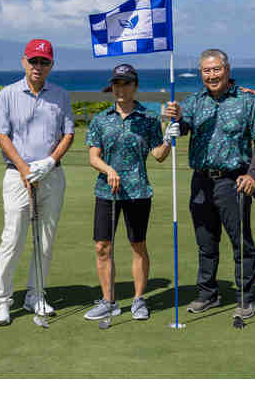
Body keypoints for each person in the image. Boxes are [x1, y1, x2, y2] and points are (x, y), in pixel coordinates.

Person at [165, 49, 255, 320]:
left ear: (227, 69)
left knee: (241, 242)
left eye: (216, 69)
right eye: (206, 71)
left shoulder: (246, 100)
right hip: (201, 181)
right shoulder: (194, 101)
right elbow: (183, 127)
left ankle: (245, 297)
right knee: (205, 242)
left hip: (233, 181)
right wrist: (175, 119)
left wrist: (252, 175)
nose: (211, 75)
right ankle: (207, 294)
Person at [83, 64, 179, 321]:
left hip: (138, 191)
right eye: (117, 83)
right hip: (107, 191)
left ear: (135, 86)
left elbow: (158, 155)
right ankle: (109, 301)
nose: (121, 88)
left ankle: (138, 299)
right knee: (102, 246)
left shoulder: (148, 118)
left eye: (126, 83)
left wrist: (168, 139)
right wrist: (109, 170)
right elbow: (93, 157)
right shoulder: (101, 119)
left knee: (138, 245)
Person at [0, 38, 74, 326]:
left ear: (51, 65)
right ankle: (1, 301)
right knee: (12, 238)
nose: (38, 66)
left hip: (51, 175)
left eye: (44, 62)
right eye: (33, 61)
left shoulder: (60, 95)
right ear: (24, 62)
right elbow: (2, 136)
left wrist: (49, 162)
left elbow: (68, 134)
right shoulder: (7, 94)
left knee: (45, 240)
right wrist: (25, 170)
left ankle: (35, 294)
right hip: (17, 175)